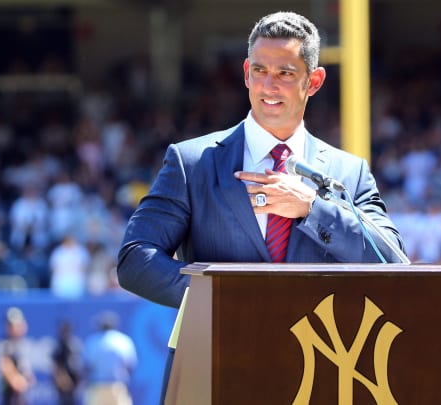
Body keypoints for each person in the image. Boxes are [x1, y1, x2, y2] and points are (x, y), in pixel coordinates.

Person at [117, 10, 406, 309]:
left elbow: (392, 260)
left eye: (285, 73)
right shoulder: (191, 162)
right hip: (218, 350)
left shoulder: (349, 172)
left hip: (316, 354)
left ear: (314, 81)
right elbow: (135, 258)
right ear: (246, 73)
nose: (269, 86)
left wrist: (312, 209)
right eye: (259, 71)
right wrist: (222, 297)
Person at [83, 311, 137, 405]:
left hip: (97, 387)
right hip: (117, 387)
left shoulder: (92, 341)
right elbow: (130, 365)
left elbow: (87, 366)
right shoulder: (123, 340)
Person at [0, 307, 35, 405]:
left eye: (18, 325)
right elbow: (5, 365)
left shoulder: (23, 344)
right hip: (11, 392)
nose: (15, 328)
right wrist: (15, 380)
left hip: (23, 393)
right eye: (11, 325)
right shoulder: (6, 344)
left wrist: (28, 377)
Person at [51, 321, 83, 405]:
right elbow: (56, 365)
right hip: (64, 382)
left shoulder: (74, 343)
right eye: (64, 330)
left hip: (74, 382)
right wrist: (62, 379)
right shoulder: (59, 345)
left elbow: (77, 363)